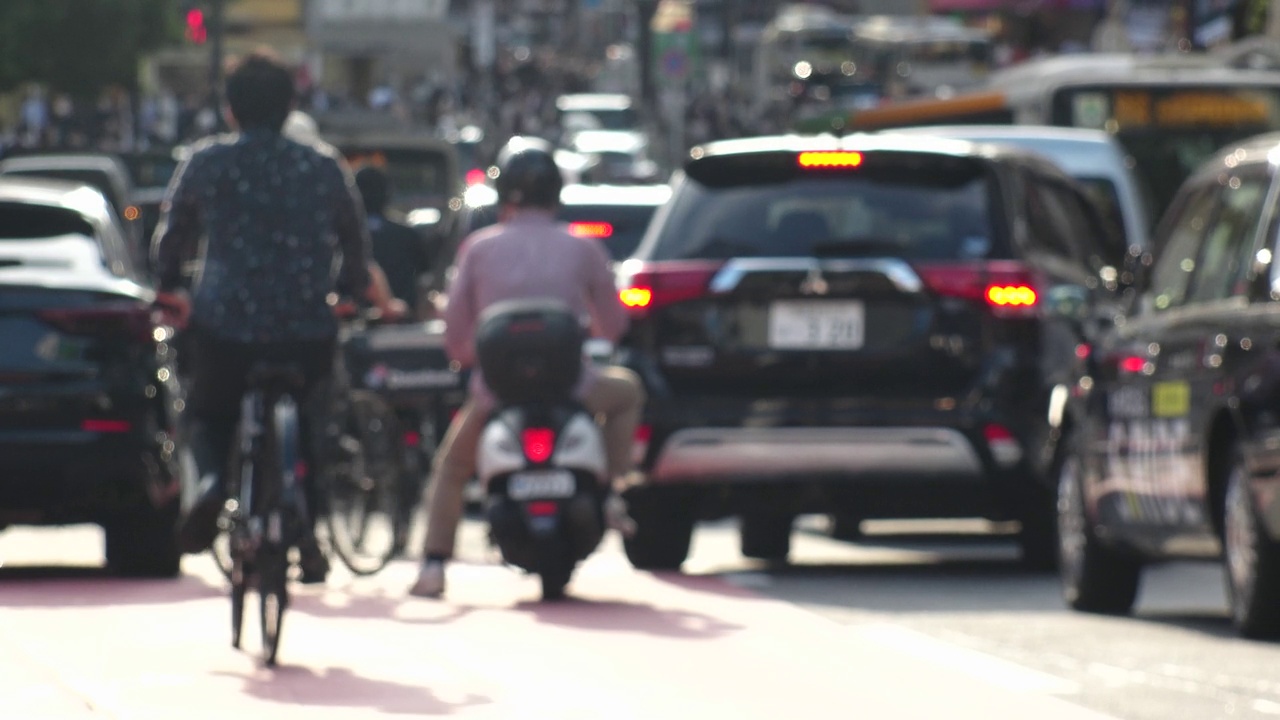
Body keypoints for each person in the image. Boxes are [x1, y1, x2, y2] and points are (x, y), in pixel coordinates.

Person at [152, 50, 395, 584]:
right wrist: (351, 292)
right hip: (306, 330)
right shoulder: (323, 165)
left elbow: (171, 241)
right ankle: (305, 528)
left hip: (224, 329)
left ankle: (211, 483)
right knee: (308, 424)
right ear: (290, 107)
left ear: (231, 108)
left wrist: (169, 287)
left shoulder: (206, 161)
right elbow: (355, 243)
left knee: (206, 418)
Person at [409, 145, 642, 598]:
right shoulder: (583, 248)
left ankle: (434, 566)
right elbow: (613, 326)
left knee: (451, 468)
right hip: (573, 388)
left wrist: (477, 359)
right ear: (556, 195)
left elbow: (456, 340)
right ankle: (613, 488)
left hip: (497, 394)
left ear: (505, 197)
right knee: (628, 392)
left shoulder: (478, 249)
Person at [354, 165, 436, 316]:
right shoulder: (407, 235)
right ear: (387, 194)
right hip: (405, 325)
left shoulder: (342, 238)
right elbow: (425, 276)